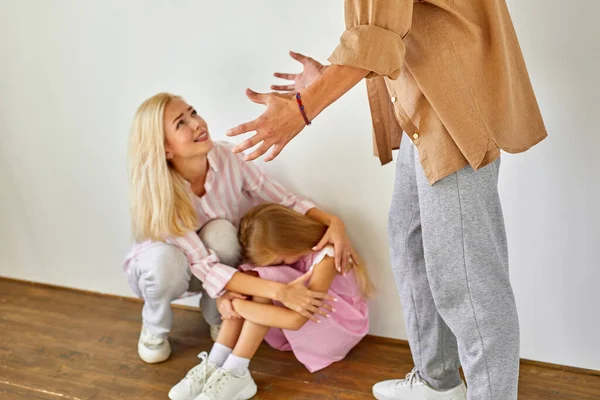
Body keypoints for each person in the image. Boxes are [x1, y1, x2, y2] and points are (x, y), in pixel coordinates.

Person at [226, 1, 547, 399]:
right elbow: (391, 30)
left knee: (467, 279)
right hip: (426, 102)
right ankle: (438, 383)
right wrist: (327, 78)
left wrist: (300, 110)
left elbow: (375, 35)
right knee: (410, 244)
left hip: (453, 107)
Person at [124, 92, 357, 364]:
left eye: (193, 113)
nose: (197, 123)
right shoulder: (161, 194)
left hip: (211, 263)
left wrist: (334, 222)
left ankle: (218, 315)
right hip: (167, 269)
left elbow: (283, 199)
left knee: (223, 232)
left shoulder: (226, 157)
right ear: (165, 149)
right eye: (181, 123)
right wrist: (277, 291)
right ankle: (154, 326)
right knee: (164, 261)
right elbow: (204, 265)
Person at [168, 203, 372, 400]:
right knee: (252, 280)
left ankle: (236, 370)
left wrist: (235, 305)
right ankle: (215, 363)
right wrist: (226, 297)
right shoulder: (296, 256)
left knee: (263, 278)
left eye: (282, 261)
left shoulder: (326, 257)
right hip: (306, 323)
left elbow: (296, 321)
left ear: (290, 239)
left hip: (335, 330)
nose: (283, 265)